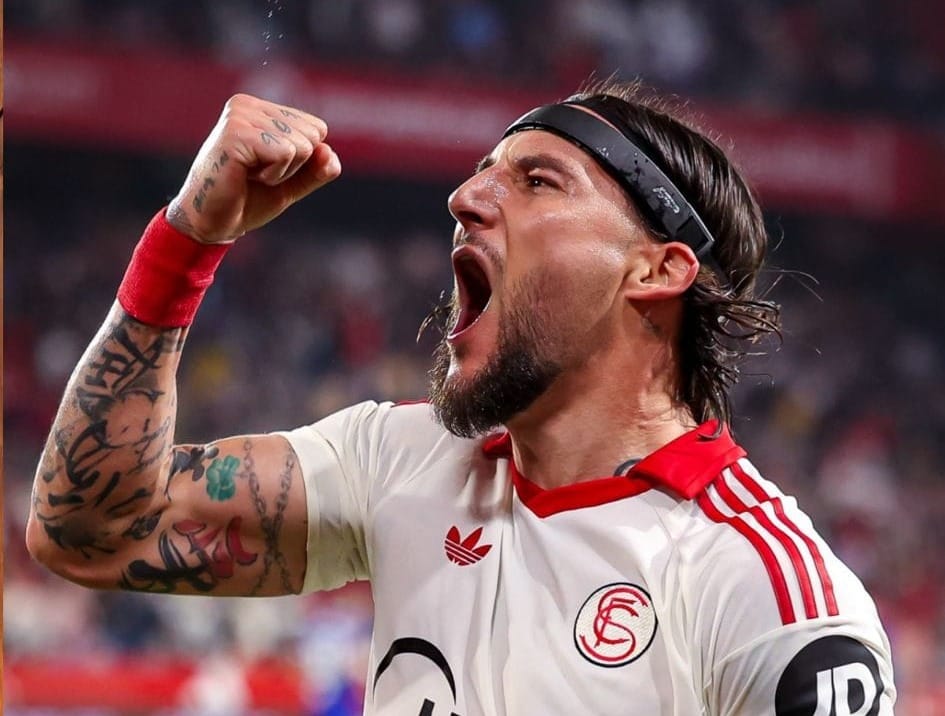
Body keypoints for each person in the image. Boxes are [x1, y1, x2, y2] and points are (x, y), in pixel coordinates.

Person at [27, 81, 896, 714]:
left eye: (536, 181)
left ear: (655, 269)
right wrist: (186, 242)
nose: (463, 197)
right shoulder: (397, 464)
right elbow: (92, 529)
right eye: (483, 173)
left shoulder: (763, 593)